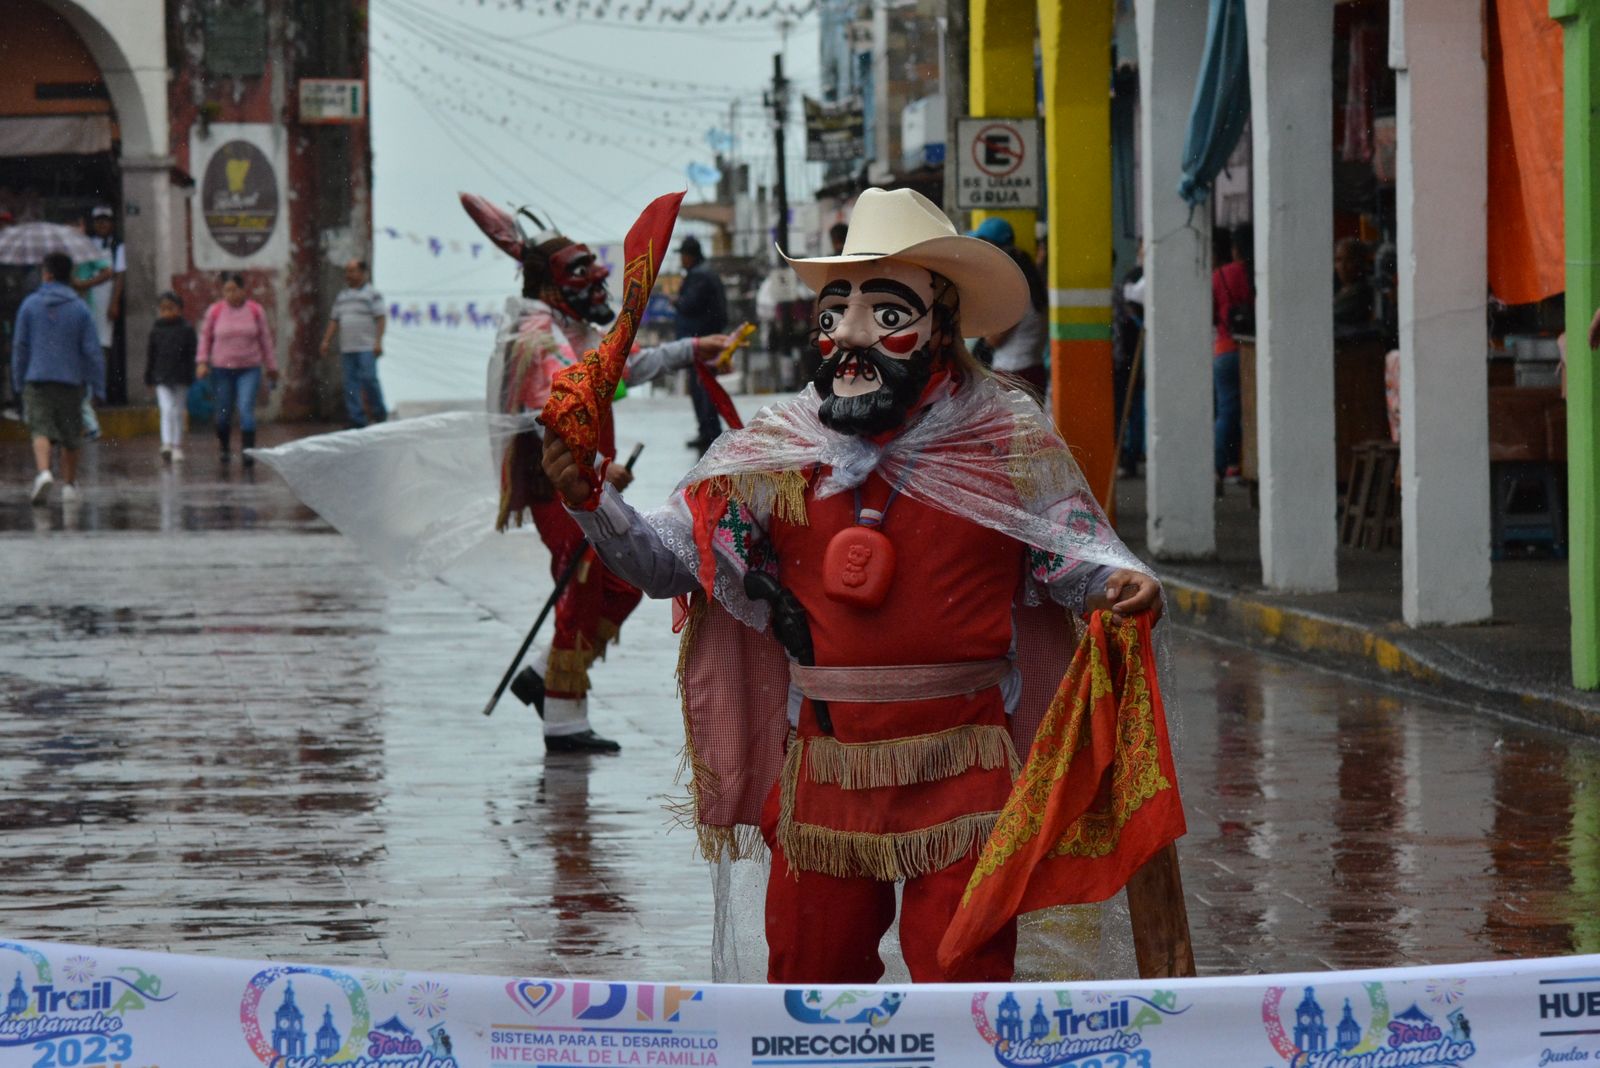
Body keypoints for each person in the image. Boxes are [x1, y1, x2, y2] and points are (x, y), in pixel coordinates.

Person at [542, 187, 1163, 982]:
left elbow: (1072, 552)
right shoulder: (776, 448)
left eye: (888, 312)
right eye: (836, 313)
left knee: (961, 997)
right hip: (824, 776)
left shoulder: (1004, 440)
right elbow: (674, 560)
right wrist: (590, 502)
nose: (853, 336)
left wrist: (1120, 586)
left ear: (942, 323)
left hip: (967, 771)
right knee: (808, 992)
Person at [462, 195, 732, 754]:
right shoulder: (537, 333)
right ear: (552, 284)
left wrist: (691, 350)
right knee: (583, 585)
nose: (601, 275)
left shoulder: (569, 326)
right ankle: (563, 718)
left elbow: (620, 370)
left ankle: (542, 675)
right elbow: (554, 411)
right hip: (560, 484)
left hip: (589, 481)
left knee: (623, 583)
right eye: (581, 270)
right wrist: (598, 469)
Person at [12, 252, 103, 505]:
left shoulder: (29, 305)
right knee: (70, 434)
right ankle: (70, 485)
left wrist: (18, 381)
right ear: (69, 275)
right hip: (71, 380)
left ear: (48, 274)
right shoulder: (80, 308)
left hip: (37, 378)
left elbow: (20, 346)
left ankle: (43, 473)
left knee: (40, 428)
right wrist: (98, 385)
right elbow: (92, 351)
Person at [197, 272, 278, 468]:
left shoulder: (255, 311)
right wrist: (202, 362)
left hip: (249, 369)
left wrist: (271, 366)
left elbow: (265, 340)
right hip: (221, 370)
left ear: (243, 290)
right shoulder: (215, 311)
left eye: (234, 289)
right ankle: (224, 447)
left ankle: (247, 452)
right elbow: (205, 338)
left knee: (245, 408)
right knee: (223, 414)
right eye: (226, 290)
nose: (230, 294)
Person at [969, 217, 1048, 395]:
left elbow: (995, 339)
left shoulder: (1013, 291)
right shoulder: (1031, 282)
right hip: (1033, 370)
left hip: (1012, 374)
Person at [675, 235, 728, 452]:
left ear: (689, 256)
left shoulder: (699, 276)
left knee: (702, 387)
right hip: (705, 337)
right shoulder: (705, 273)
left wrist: (676, 301)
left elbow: (690, 304)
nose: (681, 261)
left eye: (683, 256)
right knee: (703, 385)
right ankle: (707, 430)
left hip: (700, 340)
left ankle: (709, 431)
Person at [320, 259, 388, 428]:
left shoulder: (372, 294)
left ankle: (379, 413)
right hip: (348, 347)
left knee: (369, 379)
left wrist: (378, 342)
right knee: (350, 383)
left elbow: (381, 318)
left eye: (352, 271)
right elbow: (334, 320)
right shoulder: (342, 296)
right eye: (347, 271)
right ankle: (357, 418)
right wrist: (326, 340)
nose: (348, 275)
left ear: (363, 273)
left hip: (366, 346)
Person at [1211, 225, 1251, 485]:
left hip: (1224, 349)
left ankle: (1219, 467)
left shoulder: (1219, 277)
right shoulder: (1254, 273)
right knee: (1251, 411)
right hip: (1252, 350)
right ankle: (1240, 464)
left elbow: (1212, 316)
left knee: (1226, 411)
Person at [146, 291, 197, 462]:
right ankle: (166, 443)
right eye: (163, 309)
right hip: (162, 376)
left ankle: (176, 445)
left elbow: (191, 355)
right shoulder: (156, 330)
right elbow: (151, 355)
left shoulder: (187, 330)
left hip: (181, 377)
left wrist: (191, 374)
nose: (167, 312)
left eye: (171, 308)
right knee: (166, 408)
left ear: (180, 309)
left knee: (177, 410)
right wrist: (149, 375)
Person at [1333, 237, 1375, 329]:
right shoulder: (1339, 288)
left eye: (1349, 260)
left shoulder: (1361, 292)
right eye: (1338, 260)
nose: (1342, 266)